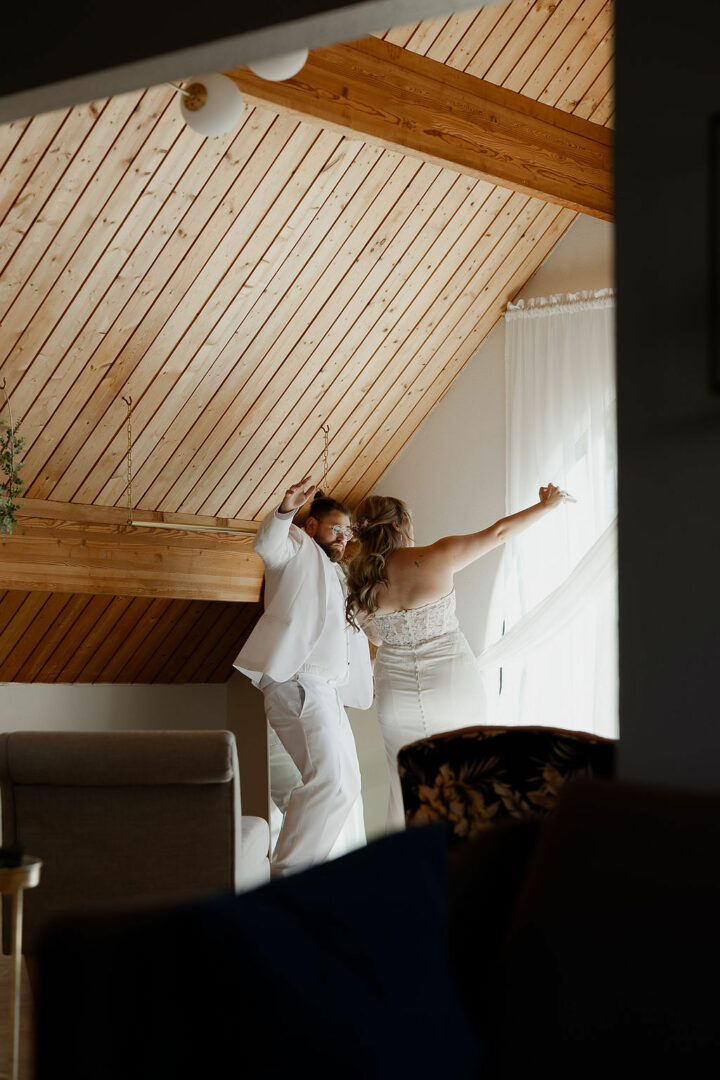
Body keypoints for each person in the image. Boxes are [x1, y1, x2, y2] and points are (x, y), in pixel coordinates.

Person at [345, 483, 568, 830]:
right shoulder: (437, 554)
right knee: (471, 771)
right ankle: (472, 853)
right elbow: (499, 533)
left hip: (396, 696)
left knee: (405, 785)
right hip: (451, 682)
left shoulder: (360, 580)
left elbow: (373, 636)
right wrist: (546, 506)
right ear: (398, 524)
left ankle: (409, 859)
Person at [234, 476, 373, 876]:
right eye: (336, 529)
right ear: (312, 526)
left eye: (347, 532)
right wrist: (286, 510)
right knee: (327, 780)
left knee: (347, 785)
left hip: (329, 690)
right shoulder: (295, 547)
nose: (343, 538)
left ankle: (309, 874)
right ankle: (287, 878)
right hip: (297, 680)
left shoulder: (340, 575)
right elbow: (267, 545)